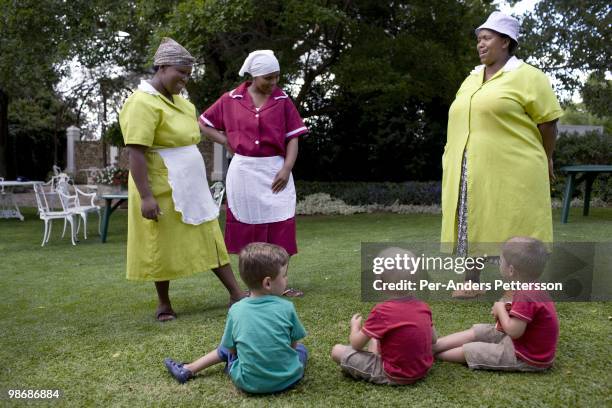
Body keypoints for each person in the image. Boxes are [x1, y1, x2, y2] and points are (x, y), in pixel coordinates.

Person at [119, 38, 245, 322]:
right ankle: (164, 303)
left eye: (189, 74)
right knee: (160, 240)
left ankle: (236, 293)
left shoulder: (184, 104)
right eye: (180, 72)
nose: (185, 80)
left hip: (191, 182)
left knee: (208, 232)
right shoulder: (141, 102)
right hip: (159, 184)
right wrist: (147, 196)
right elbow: (136, 152)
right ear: (162, 67)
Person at [440, 11, 563, 298]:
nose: (480, 44)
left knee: (517, 222)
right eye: (478, 40)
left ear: (505, 41)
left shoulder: (529, 76)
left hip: (515, 166)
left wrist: (546, 157)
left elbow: (548, 122)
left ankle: (522, 289)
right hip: (470, 166)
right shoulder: (471, 78)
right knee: (473, 219)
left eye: (486, 38)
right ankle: (471, 281)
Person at [198, 50, 308, 297]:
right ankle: (255, 287)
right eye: (268, 77)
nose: (273, 82)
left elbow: (293, 138)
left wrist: (287, 168)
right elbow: (203, 123)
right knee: (248, 231)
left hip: (275, 170)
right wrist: (225, 140)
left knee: (281, 226)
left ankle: (280, 284)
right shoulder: (231, 99)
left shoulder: (283, 101)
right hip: (244, 171)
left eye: (277, 77)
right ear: (253, 75)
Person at [163, 243, 308, 394]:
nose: (286, 279)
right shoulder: (287, 307)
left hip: (247, 382)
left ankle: (188, 369)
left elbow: (231, 349)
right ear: (267, 283)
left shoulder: (236, 310)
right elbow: (293, 346)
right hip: (289, 379)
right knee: (302, 350)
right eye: (284, 275)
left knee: (225, 349)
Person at [433, 237, 559, 371]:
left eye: (501, 260)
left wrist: (500, 310)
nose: (499, 263)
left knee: (474, 350)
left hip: (526, 356)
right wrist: (505, 308)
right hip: (524, 342)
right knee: (480, 331)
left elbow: (514, 331)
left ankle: (432, 354)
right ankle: (434, 346)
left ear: (511, 270)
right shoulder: (531, 286)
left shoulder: (526, 294)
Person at [331, 247, 437, 385]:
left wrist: (355, 327)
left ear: (380, 283)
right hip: (422, 370)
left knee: (337, 351)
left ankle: (377, 363)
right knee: (375, 337)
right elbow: (434, 339)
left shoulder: (382, 311)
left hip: (394, 374)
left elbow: (356, 344)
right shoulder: (423, 306)